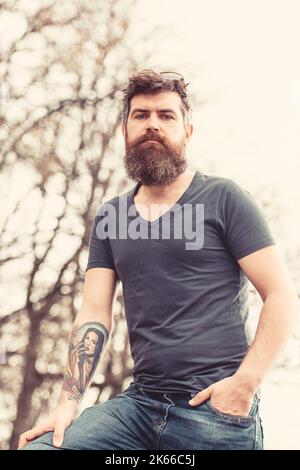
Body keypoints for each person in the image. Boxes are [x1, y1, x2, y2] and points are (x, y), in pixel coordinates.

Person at [19, 69, 299, 450]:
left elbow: (281, 295)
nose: (153, 125)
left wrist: (244, 384)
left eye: (166, 116)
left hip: (214, 412)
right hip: (139, 407)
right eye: (141, 115)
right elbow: (94, 314)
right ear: (125, 131)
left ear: (188, 131)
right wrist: (67, 405)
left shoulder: (224, 199)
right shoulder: (111, 216)